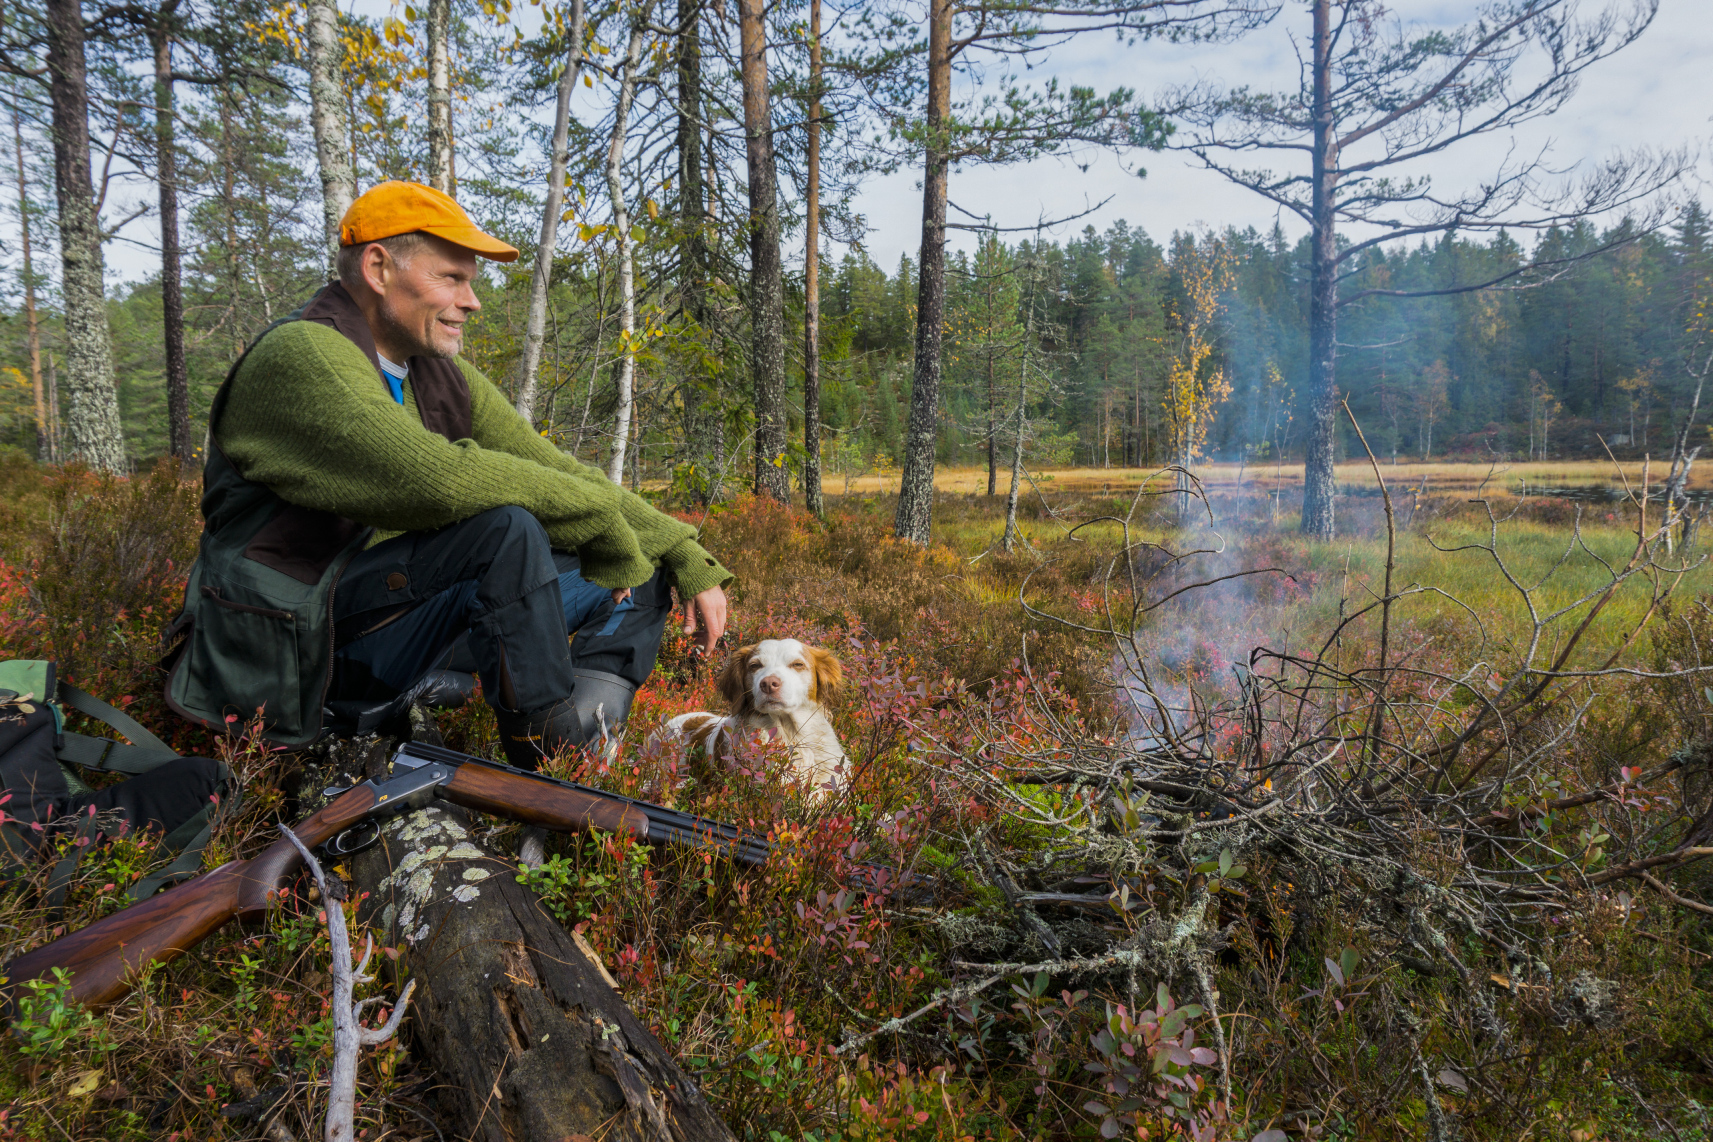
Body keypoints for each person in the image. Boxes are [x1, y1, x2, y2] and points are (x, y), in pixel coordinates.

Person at [165, 181, 732, 771]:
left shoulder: (433, 372)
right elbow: (437, 480)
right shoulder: (305, 355)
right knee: (504, 532)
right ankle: (546, 769)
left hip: (399, 611)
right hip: (302, 637)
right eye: (451, 278)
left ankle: (585, 744)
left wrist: (682, 548)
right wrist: (601, 521)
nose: (472, 301)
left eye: (471, 282)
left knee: (646, 564)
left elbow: (555, 469)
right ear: (378, 267)